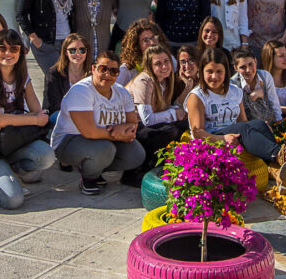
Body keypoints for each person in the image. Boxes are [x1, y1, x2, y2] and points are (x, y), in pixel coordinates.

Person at [186, 48, 286, 189]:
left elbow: (243, 121)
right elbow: (197, 132)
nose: (214, 76)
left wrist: (258, 129)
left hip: (234, 132)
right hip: (213, 137)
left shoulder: (235, 91)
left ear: (226, 72)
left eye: (219, 72)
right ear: (202, 72)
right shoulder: (197, 96)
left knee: (259, 124)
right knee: (244, 128)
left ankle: (277, 172)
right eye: (209, 72)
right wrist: (223, 139)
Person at [0, 29, 55, 209]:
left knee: (46, 156)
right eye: (2, 48)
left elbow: (38, 112)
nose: (8, 53)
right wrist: (0, 121)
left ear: (20, 52)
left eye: (14, 49)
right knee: (13, 200)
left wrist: (3, 122)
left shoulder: (22, 75)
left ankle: (11, 169)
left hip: (10, 140)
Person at [52, 51, 145, 195]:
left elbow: (133, 123)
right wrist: (117, 133)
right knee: (105, 149)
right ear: (93, 68)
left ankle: (96, 169)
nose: (108, 74)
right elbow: (90, 132)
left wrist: (124, 129)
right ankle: (89, 178)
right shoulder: (81, 90)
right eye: (103, 69)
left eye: (114, 71)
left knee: (136, 153)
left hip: (102, 140)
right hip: (68, 142)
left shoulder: (122, 92)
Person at [126, 44, 189, 183]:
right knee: (169, 130)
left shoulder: (165, 81)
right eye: (158, 63)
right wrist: (174, 113)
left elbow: (163, 110)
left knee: (183, 126)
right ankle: (139, 172)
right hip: (131, 127)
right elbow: (147, 119)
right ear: (150, 66)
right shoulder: (144, 81)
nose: (164, 66)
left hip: (144, 126)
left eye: (166, 61)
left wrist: (188, 87)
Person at [43, 33, 92, 123]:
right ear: (66, 52)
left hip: (86, 116)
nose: (78, 54)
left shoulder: (93, 74)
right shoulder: (54, 74)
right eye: (73, 50)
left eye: (82, 50)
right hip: (60, 116)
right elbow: (54, 105)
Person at [230, 46, 282, 124]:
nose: (248, 70)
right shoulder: (233, 84)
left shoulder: (265, 76)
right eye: (243, 67)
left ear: (255, 61)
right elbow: (236, 116)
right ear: (235, 68)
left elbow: (274, 105)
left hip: (271, 124)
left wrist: (279, 125)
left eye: (251, 64)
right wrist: (251, 98)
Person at [117, 19, 171, 85]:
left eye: (154, 37)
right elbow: (115, 90)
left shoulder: (169, 59)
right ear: (137, 45)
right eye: (145, 40)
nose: (152, 43)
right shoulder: (126, 69)